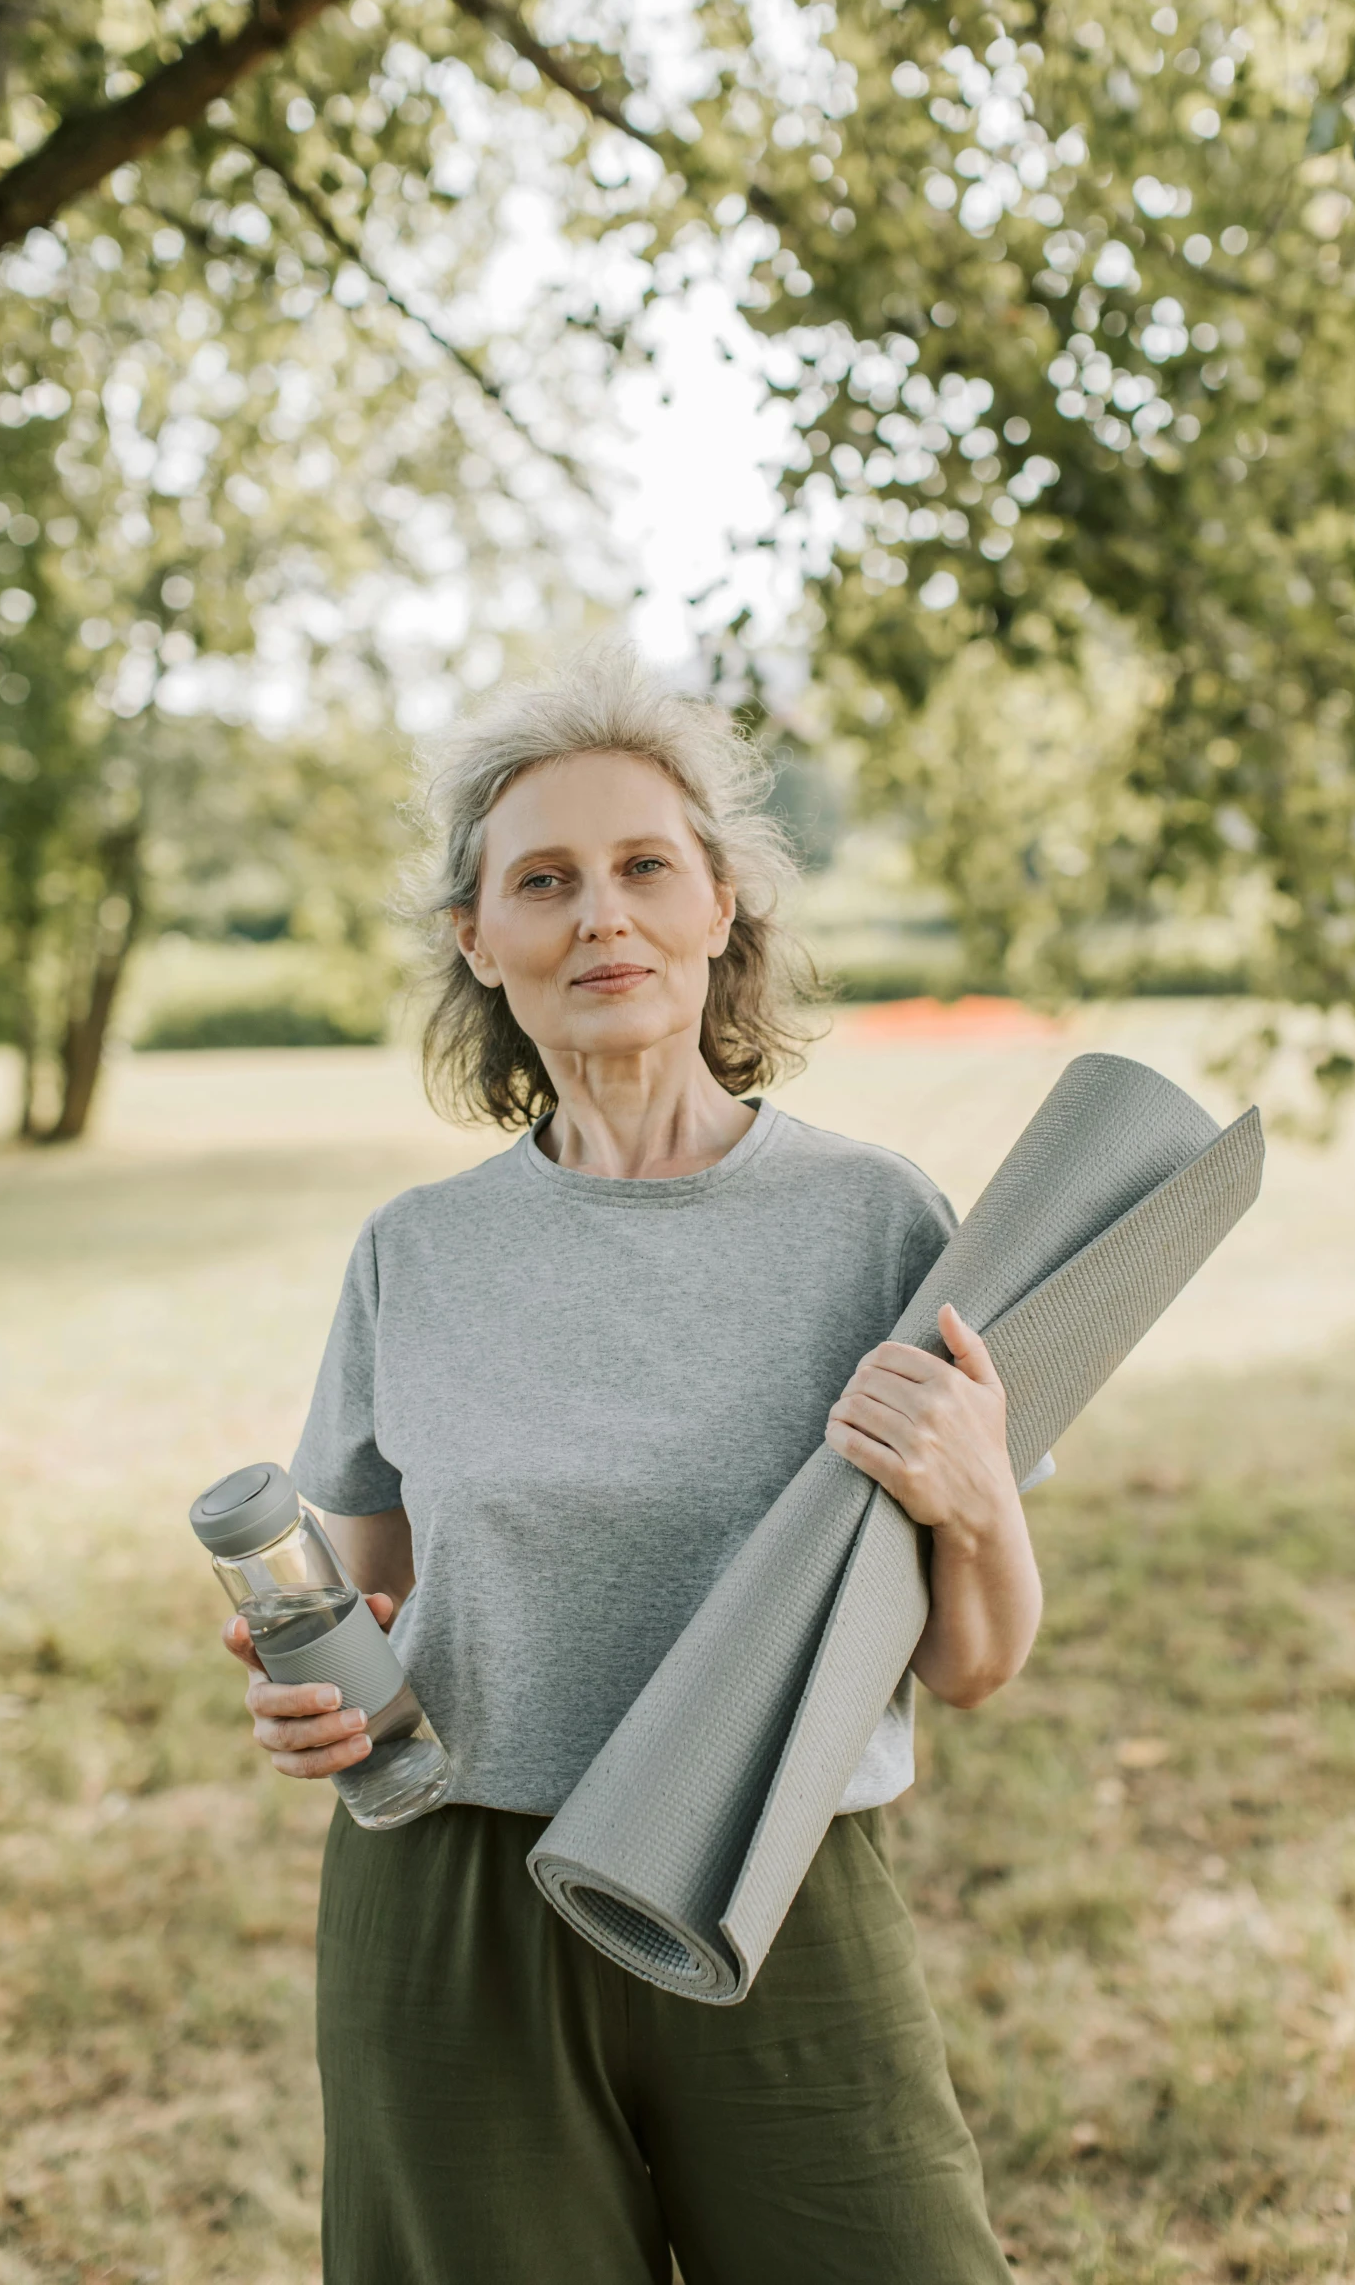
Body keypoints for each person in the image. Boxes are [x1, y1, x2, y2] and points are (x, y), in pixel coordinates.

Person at [221, 646, 1044, 2284]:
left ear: (719, 904)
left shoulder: (877, 1224)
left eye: (642, 866)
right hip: (457, 1906)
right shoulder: (415, 1254)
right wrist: (308, 1687)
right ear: (479, 937)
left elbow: (969, 1661)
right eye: (544, 879)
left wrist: (977, 1496)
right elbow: (365, 1603)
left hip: (778, 1885)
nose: (601, 915)